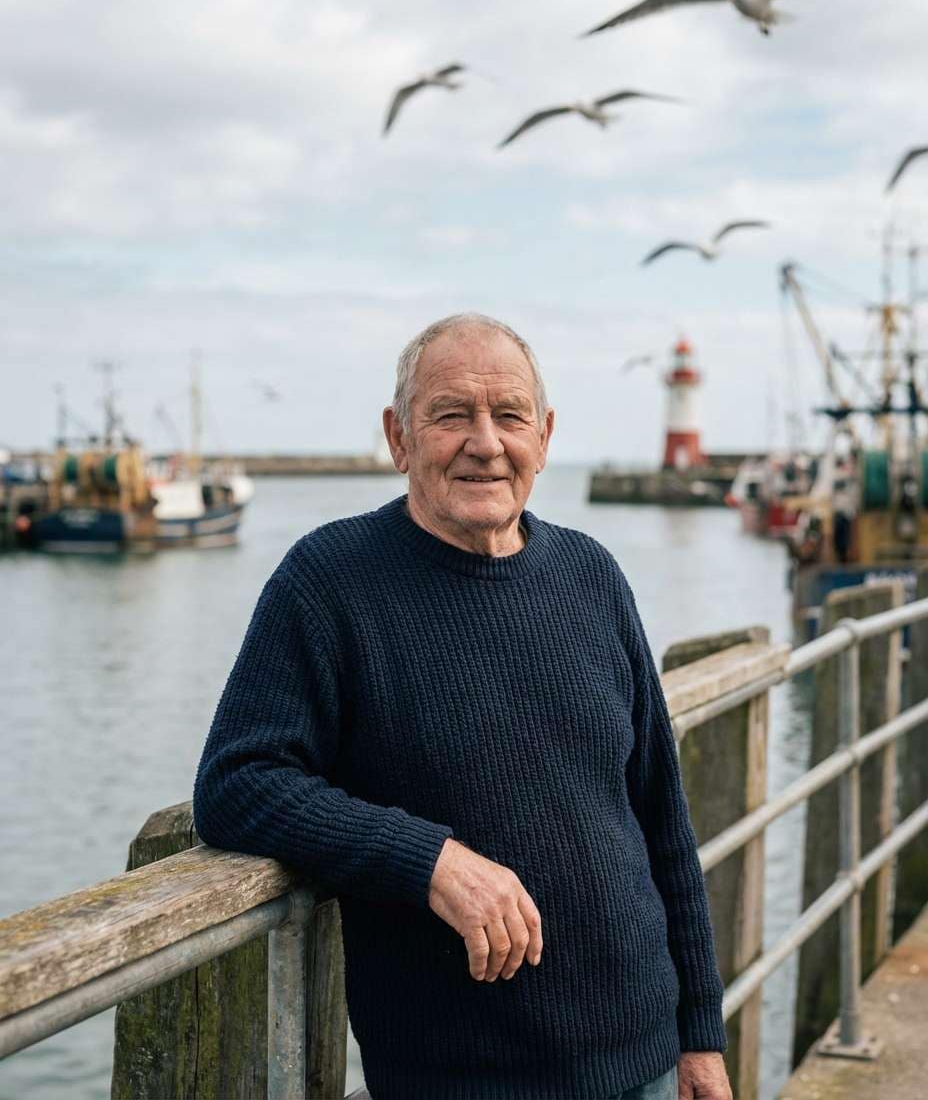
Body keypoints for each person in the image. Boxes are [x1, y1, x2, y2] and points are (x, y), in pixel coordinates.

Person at [193, 314, 732, 1100]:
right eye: (451, 415)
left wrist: (702, 1037)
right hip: (461, 1079)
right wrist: (427, 859)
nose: (485, 441)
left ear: (543, 438)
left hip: (647, 1056)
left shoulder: (593, 575)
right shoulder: (329, 582)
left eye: (509, 415)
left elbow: (662, 818)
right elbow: (237, 784)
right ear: (399, 436)